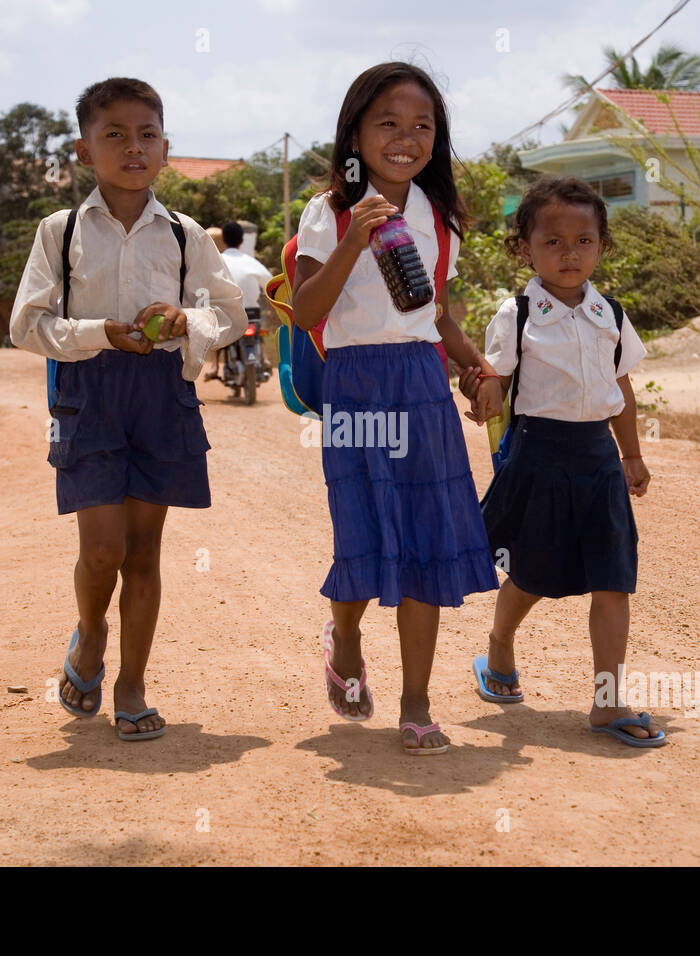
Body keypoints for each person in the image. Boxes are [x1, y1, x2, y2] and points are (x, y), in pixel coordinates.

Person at [9, 77, 246, 741]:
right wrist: (97, 333)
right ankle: (90, 637)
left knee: (144, 551)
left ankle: (132, 683)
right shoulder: (60, 232)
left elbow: (230, 315)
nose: (132, 147)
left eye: (146, 134)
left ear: (165, 149)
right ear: (84, 150)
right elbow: (26, 326)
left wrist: (183, 320)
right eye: (114, 134)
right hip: (88, 393)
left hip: (161, 396)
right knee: (103, 548)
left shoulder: (185, 234)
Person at [291, 62, 502, 755]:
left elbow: (434, 313)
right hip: (353, 383)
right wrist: (355, 235)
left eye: (422, 126)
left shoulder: (439, 218)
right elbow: (305, 312)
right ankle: (344, 635)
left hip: (419, 383)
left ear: (436, 139)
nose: (406, 138)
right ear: (356, 131)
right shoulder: (326, 211)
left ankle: (417, 703)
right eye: (388, 123)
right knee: (364, 535)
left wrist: (474, 367)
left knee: (427, 541)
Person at [458, 176, 663, 747]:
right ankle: (499, 648)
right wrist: (484, 395)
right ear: (525, 249)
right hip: (538, 455)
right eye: (553, 242)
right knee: (533, 573)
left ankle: (607, 700)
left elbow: (619, 385)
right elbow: (495, 379)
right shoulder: (517, 314)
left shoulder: (610, 313)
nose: (569, 253)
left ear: (601, 246)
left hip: (598, 457)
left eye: (584, 240)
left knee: (613, 577)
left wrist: (633, 454)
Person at [207, 220, 273, 381]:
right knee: (256, 328)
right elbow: (269, 281)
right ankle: (265, 359)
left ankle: (214, 366)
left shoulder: (217, 261)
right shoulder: (251, 261)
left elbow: (206, 283)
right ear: (242, 241)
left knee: (214, 331)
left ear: (223, 240)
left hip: (227, 313)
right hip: (251, 312)